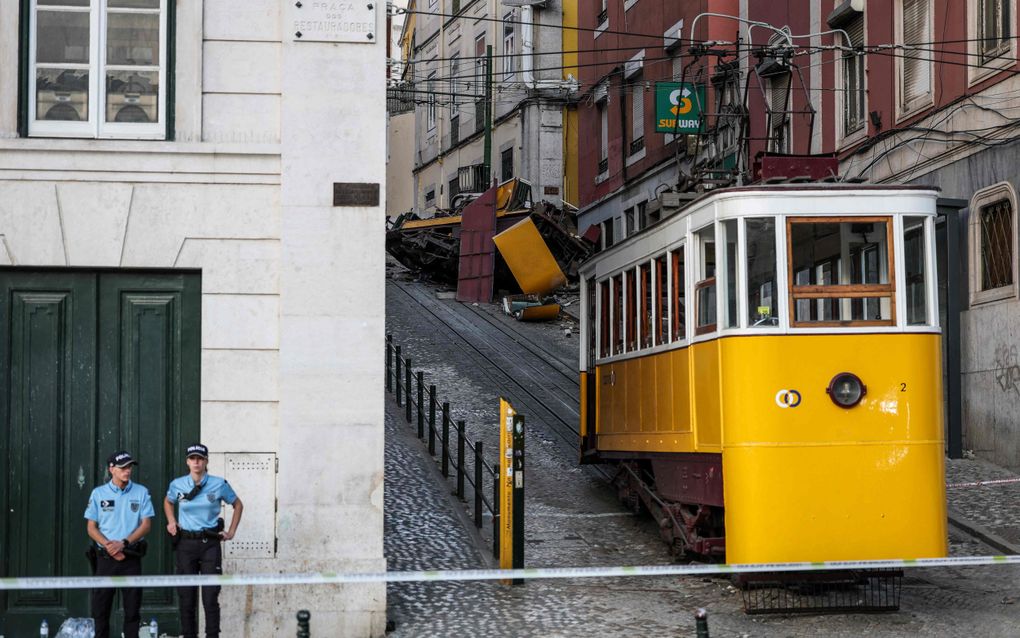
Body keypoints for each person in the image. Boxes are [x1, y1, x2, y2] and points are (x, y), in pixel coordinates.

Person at [164, 444, 244, 638]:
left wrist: (231, 531)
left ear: (206, 461)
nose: (196, 462)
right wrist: (172, 521)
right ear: (187, 462)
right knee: (187, 598)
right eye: (192, 458)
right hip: (186, 544)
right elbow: (168, 501)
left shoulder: (219, 484)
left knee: (210, 598)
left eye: (200, 458)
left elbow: (238, 504)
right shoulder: (178, 484)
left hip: (209, 544)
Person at [84, 450, 155, 638]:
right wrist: (110, 546)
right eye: (123, 467)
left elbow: (146, 524)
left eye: (129, 467)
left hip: (130, 558)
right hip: (106, 559)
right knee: (100, 610)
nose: (127, 471)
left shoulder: (141, 492)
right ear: (112, 469)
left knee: (132, 611)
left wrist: (123, 543)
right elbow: (91, 528)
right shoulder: (98, 493)